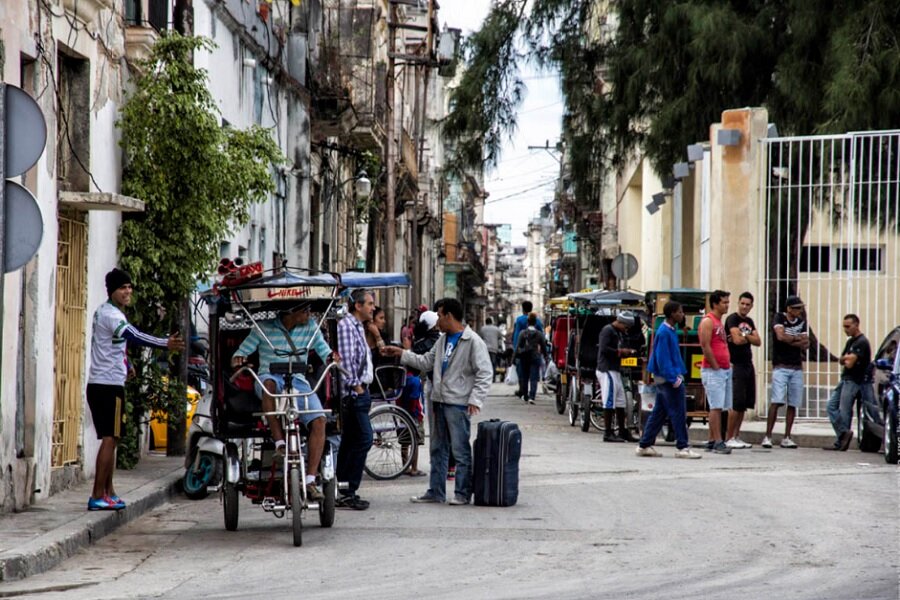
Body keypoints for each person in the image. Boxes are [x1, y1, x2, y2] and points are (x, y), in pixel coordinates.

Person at [86, 268, 185, 510]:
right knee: (109, 439)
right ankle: (98, 494)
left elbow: (113, 345)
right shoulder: (112, 316)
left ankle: (109, 492)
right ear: (112, 291)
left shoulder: (108, 312)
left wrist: (127, 363)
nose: (128, 291)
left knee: (115, 437)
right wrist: (165, 343)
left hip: (108, 382)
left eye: (129, 287)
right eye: (123, 288)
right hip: (106, 385)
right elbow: (134, 335)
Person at [383, 298, 493, 505]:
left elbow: (485, 372)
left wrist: (475, 399)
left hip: (458, 403)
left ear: (449, 316)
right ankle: (436, 491)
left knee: (460, 450)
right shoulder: (442, 340)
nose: (437, 321)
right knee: (437, 449)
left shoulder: (472, 341)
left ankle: (462, 493)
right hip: (438, 401)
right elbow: (425, 362)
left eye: (440, 316)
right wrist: (402, 354)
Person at [231, 301, 338, 501]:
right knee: (269, 386)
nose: (309, 314)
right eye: (305, 310)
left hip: (299, 381)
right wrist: (238, 360)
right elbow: (240, 353)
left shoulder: (311, 328)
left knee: (320, 421)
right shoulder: (263, 328)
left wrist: (333, 357)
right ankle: (280, 443)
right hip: (269, 378)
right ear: (291, 311)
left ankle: (310, 479)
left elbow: (325, 352)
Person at [636, 300, 702, 459]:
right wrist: (674, 378)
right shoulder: (665, 332)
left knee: (659, 412)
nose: (682, 314)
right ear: (672, 314)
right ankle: (683, 446)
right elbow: (663, 358)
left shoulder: (668, 330)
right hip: (669, 378)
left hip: (665, 377)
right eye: (680, 312)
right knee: (679, 412)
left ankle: (645, 444)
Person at [335, 289, 377, 510]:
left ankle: (343, 490)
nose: (373, 308)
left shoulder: (358, 327)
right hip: (353, 394)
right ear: (358, 306)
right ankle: (348, 488)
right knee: (363, 439)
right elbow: (346, 361)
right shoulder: (346, 326)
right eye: (369, 304)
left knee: (351, 441)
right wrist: (357, 387)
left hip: (360, 392)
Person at [763, 295, 810, 449]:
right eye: (797, 308)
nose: (799, 310)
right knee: (776, 401)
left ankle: (787, 436)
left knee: (793, 403)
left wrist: (792, 339)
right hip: (781, 366)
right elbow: (780, 336)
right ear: (789, 309)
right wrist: (796, 339)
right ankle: (768, 436)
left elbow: (806, 343)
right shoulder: (779, 317)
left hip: (796, 367)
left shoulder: (801, 322)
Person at [824, 314, 872, 451]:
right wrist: (846, 358)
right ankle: (843, 433)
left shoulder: (862, 342)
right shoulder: (851, 342)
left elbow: (849, 364)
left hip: (854, 380)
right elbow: (841, 360)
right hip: (845, 379)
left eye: (848, 326)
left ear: (856, 325)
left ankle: (841, 441)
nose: (845, 329)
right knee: (831, 406)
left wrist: (847, 359)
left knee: (844, 411)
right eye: (844, 326)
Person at [724, 292, 761, 449]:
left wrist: (743, 335)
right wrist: (747, 336)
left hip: (748, 363)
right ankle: (728, 437)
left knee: (744, 404)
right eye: (742, 303)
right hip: (736, 364)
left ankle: (737, 436)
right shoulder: (732, 319)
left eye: (748, 304)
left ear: (752, 306)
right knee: (735, 403)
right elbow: (737, 340)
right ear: (738, 303)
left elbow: (758, 341)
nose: (745, 306)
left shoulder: (750, 321)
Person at [699, 290, 733, 455]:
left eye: (727, 302)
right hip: (714, 370)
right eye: (724, 302)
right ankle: (718, 441)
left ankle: (713, 439)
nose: (727, 305)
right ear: (715, 304)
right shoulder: (708, 321)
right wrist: (715, 366)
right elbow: (705, 346)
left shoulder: (719, 322)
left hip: (724, 369)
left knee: (722, 407)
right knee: (716, 407)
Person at [595, 312, 638, 443]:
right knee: (609, 401)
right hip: (607, 369)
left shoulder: (618, 333)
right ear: (621, 322)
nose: (627, 330)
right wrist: (621, 352)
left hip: (615, 369)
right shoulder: (608, 330)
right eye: (626, 327)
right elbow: (604, 349)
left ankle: (622, 431)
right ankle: (608, 432)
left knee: (620, 402)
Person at [512, 301, 544, 398]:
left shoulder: (519, 320)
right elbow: (542, 336)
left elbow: (516, 335)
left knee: (522, 372)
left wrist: (515, 349)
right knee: (533, 374)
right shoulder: (537, 321)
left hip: (522, 352)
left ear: (522, 309)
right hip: (534, 352)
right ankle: (531, 394)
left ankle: (523, 391)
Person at [515, 313, 547, 404]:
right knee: (534, 378)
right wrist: (546, 356)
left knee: (525, 377)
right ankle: (532, 397)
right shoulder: (539, 334)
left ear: (527, 322)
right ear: (535, 322)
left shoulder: (522, 333)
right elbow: (543, 346)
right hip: (535, 357)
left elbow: (518, 347)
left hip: (524, 357)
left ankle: (525, 396)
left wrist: (514, 358)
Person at [479, 317, 503, 382]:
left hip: (485, 349)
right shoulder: (496, 329)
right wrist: (500, 347)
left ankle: (486, 378)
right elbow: (500, 338)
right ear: (491, 322)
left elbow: (480, 338)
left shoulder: (482, 329)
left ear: (486, 322)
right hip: (494, 349)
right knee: (493, 364)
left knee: (485, 364)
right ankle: (493, 378)